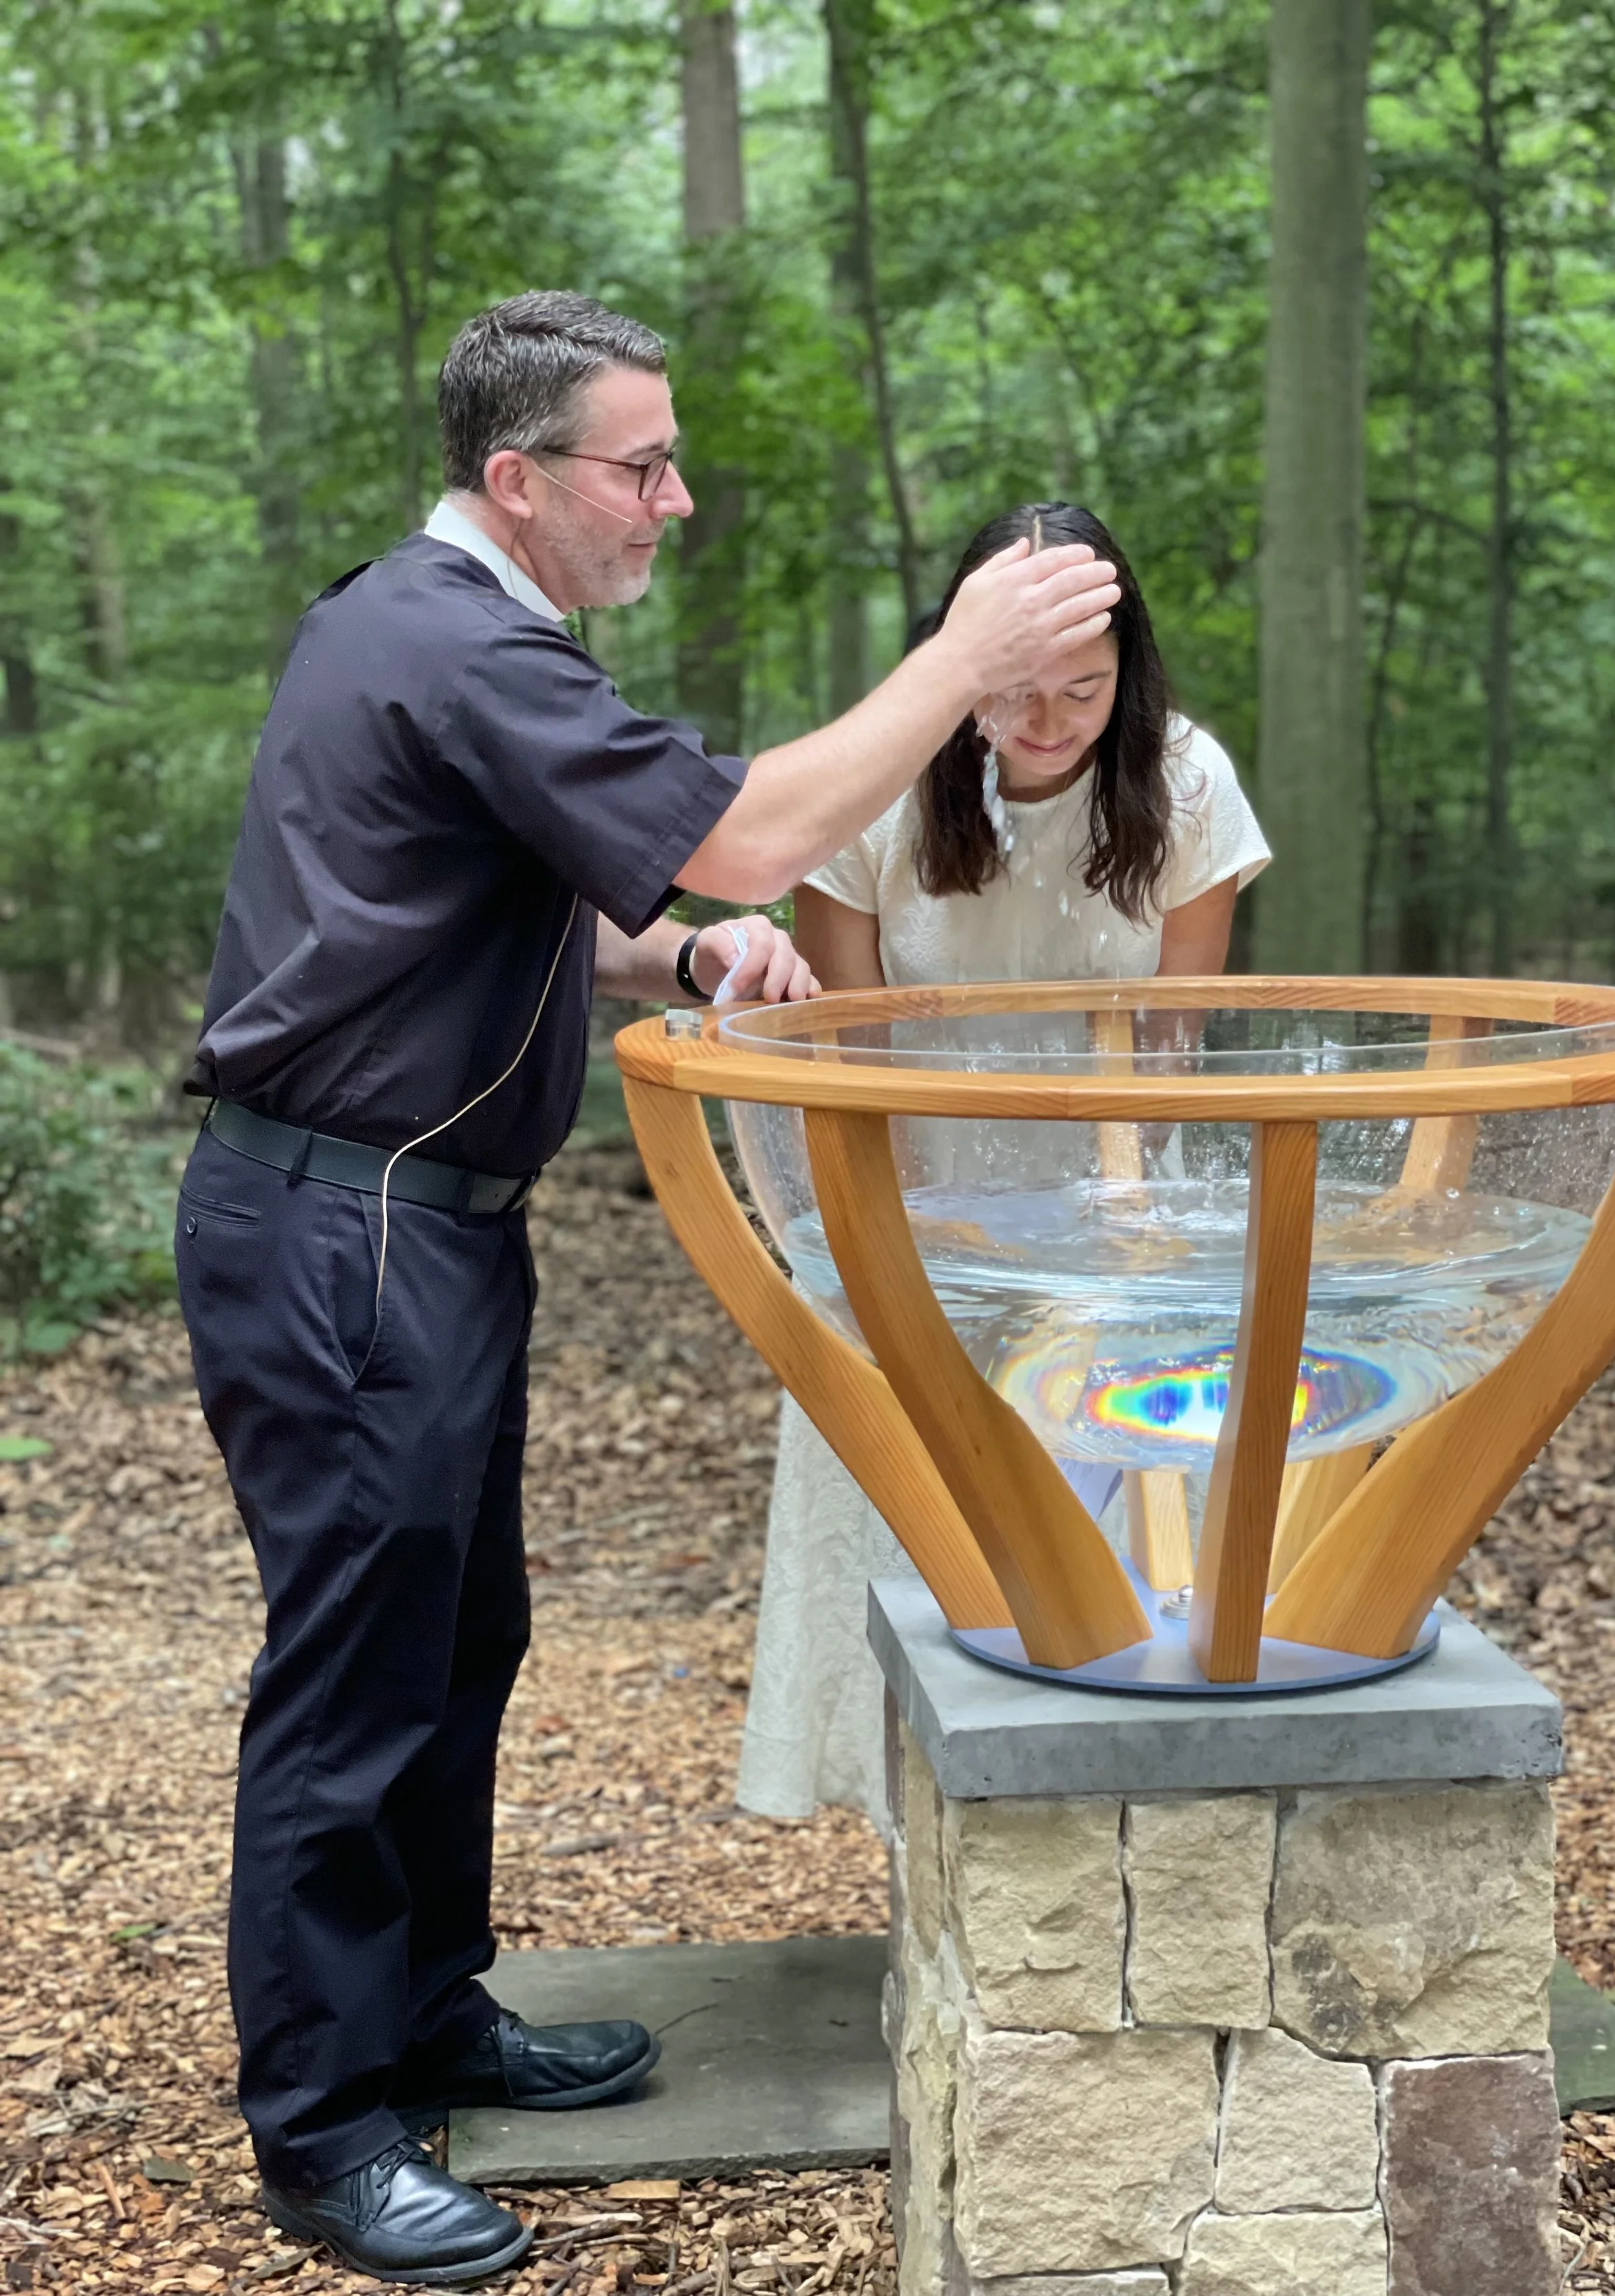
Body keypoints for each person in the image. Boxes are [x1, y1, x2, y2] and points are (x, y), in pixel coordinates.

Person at [176, 298, 1121, 2286]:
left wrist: (681, 958)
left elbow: (480, 909)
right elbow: (758, 831)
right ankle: (325, 2129)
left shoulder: (430, 633)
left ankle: (426, 2011)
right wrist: (961, 660)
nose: (674, 499)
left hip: (414, 1223)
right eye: (643, 464)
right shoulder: (456, 639)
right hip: (349, 1228)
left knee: (458, 1639)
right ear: (517, 479)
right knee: (356, 1681)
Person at [736, 501, 1270, 1833]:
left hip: (1116, 1223)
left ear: (1129, 671)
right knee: (926, 1542)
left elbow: (1174, 1050)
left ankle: (1117, 1825)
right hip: (916, 1220)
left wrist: (1117, 1240)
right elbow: (847, 1052)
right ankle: (923, 1838)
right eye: (1018, 690)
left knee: (1115, 1572)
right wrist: (922, 1240)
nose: (1049, 723)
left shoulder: (1188, 781)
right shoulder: (874, 784)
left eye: (1084, 691)